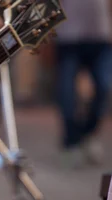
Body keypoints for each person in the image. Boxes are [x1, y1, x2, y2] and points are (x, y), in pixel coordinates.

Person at [54, 0, 112, 168]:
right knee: (67, 93)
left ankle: (89, 133)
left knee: (104, 86)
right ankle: (71, 141)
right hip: (68, 35)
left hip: (101, 34)